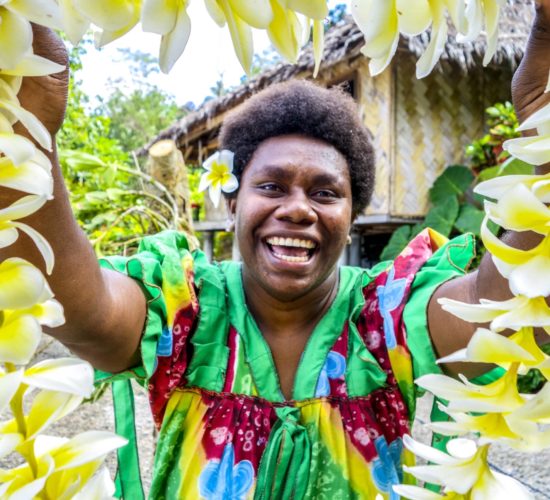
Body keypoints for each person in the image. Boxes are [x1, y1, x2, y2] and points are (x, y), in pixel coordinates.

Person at [3, 3, 550, 498]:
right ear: (233, 202)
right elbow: (79, 309)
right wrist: (31, 130)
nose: (297, 208)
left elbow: (501, 317)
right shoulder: (185, 312)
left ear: (351, 215)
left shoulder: (388, 318)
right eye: (271, 187)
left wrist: (544, 133)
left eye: (325, 193)